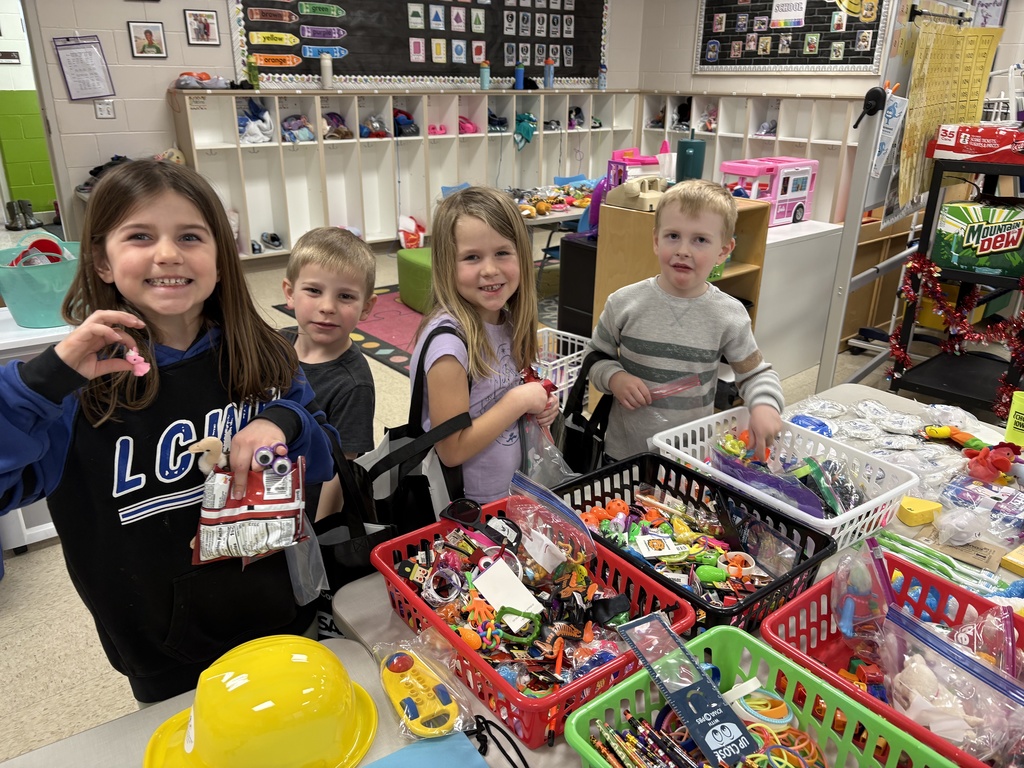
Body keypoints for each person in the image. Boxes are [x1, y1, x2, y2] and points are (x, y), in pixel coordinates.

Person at [0, 159, 334, 703]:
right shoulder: (73, 390)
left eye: (189, 236)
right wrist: (41, 382)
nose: (168, 254)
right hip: (162, 650)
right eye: (139, 236)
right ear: (102, 263)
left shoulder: (266, 354)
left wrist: (285, 419)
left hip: (279, 614)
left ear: (222, 260)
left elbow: (321, 459)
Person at [586, 179, 784, 462]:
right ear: (656, 240)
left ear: (724, 251)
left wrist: (765, 406)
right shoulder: (624, 302)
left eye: (700, 240)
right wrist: (615, 377)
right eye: (673, 236)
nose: (683, 250)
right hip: (623, 452)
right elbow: (594, 357)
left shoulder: (728, 314)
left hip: (689, 455)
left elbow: (755, 374)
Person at [409, 186, 558, 504]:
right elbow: (451, 450)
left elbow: (498, 395)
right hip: (467, 509)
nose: (489, 269)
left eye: (502, 252)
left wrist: (540, 403)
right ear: (448, 264)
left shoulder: (505, 320)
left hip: (510, 494)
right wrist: (518, 401)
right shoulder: (449, 347)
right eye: (472, 257)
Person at [281, 227, 377, 520]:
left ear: (366, 307)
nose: (327, 307)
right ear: (289, 293)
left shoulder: (353, 383)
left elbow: (340, 472)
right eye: (313, 290)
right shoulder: (273, 348)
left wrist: (320, 535)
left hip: (306, 514)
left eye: (345, 296)